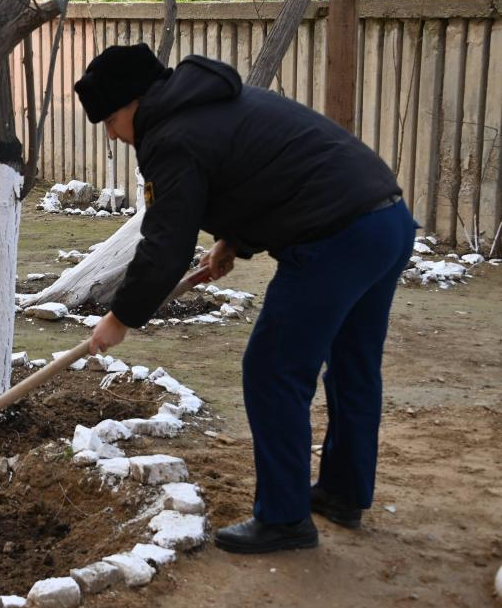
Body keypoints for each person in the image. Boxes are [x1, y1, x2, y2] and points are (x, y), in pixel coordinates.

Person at [75, 43, 415, 554]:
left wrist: (121, 317)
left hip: (336, 239)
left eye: (108, 119)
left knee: (272, 370)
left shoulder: (169, 135)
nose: (111, 133)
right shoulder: (212, 103)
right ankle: (344, 493)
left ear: (132, 103)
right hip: (385, 221)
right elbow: (265, 171)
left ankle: (283, 520)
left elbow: (165, 243)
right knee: (353, 365)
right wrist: (233, 240)